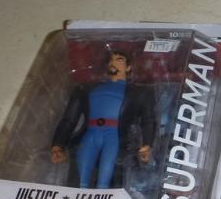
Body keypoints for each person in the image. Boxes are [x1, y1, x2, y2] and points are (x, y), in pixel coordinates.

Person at [51, 50, 155, 188]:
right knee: (80, 180)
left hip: (114, 137)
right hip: (90, 135)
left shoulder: (140, 93)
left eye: (119, 60)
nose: (113, 63)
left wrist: (147, 145)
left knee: (106, 180)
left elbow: (148, 120)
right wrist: (58, 145)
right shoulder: (85, 89)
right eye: (110, 60)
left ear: (128, 67)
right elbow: (69, 120)